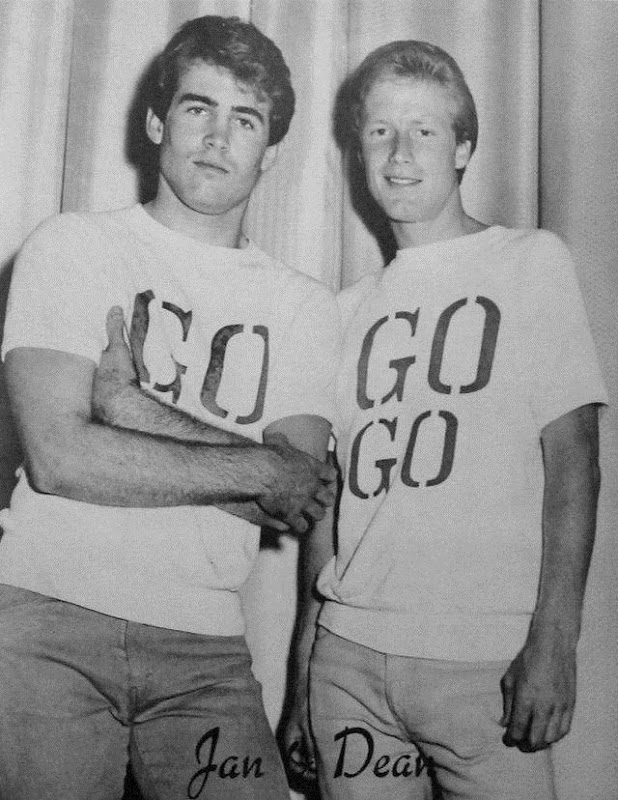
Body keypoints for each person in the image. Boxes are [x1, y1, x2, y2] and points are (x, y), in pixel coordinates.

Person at [0, 15, 340, 800]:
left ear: (271, 151)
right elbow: (59, 458)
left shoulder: (303, 305)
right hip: (49, 614)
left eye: (245, 119)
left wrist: (126, 409)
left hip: (206, 648)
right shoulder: (74, 245)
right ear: (157, 122)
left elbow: (295, 496)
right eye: (198, 108)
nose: (219, 138)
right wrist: (258, 467)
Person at [282, 40, 608, 800]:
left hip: (484, 664)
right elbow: (327, 510)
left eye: (423, 130)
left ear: (463, 148)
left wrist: (555, 641)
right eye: (380, 131)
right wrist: (301, 675)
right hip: (349, 665)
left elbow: (575, 463)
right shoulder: (343, 313)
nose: (399, 153)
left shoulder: (530, 262)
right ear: (357, 152)